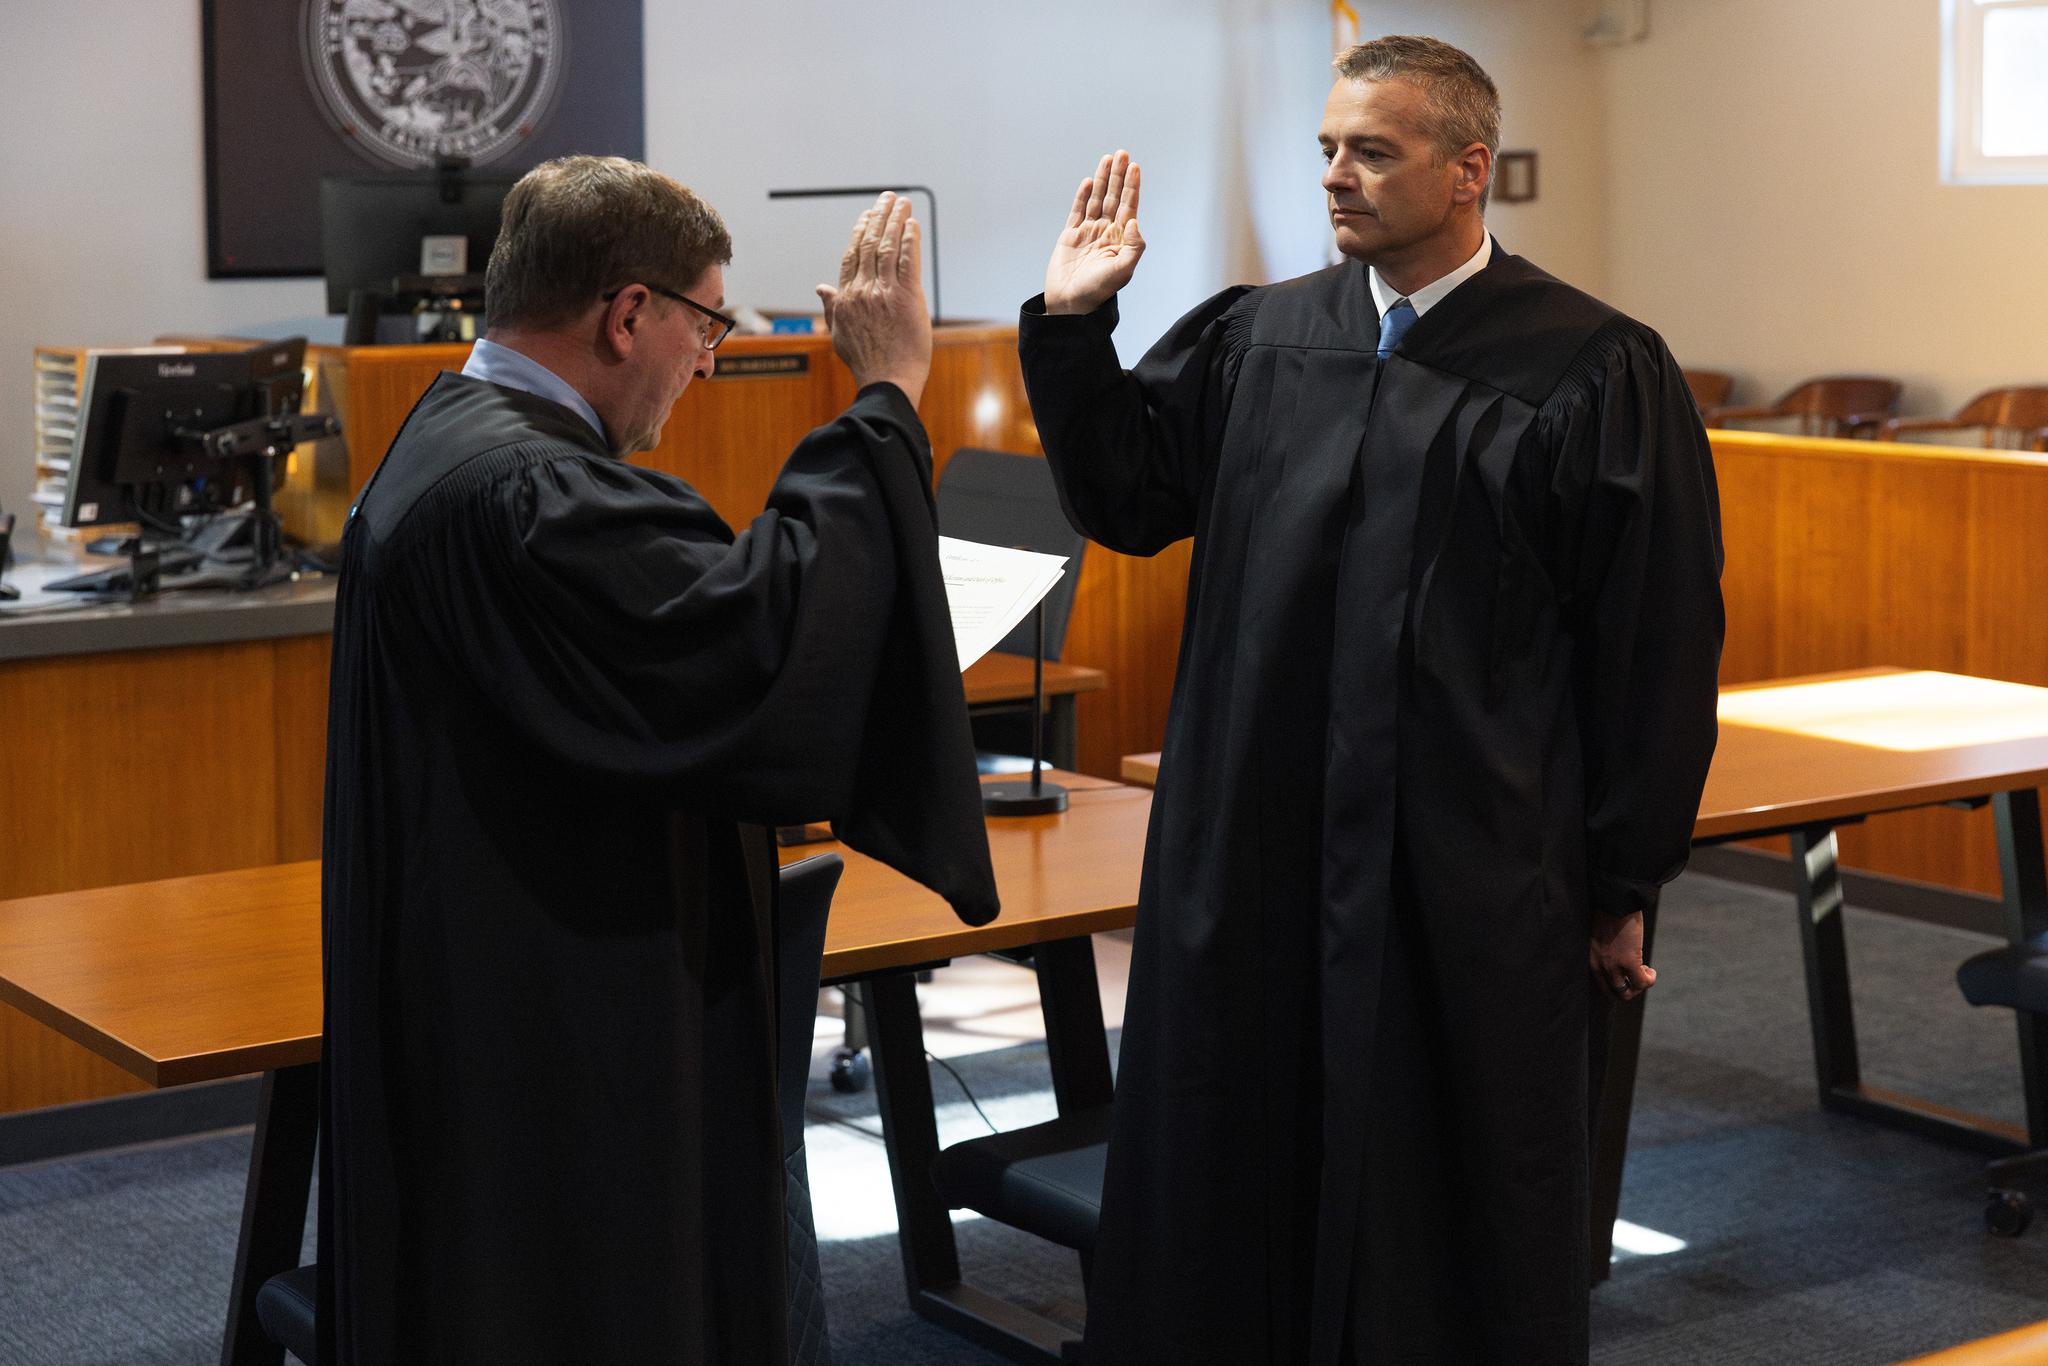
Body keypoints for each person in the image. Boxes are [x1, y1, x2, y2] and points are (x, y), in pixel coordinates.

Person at [1017, 35, 1722, 1365]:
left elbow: (1656, 642)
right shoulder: (1261, 333)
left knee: (1443, 1159)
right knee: (1239, 1139)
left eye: (1371, 152)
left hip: (1462, 860)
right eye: (1328, 150)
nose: (1336, 176)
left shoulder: (1592, 365)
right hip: (1255, 849)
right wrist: (1073, 325)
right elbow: (1125, 498)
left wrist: (1626, 872)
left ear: (1468, 172)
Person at [318, 156, 997, 1364]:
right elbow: (756, 647)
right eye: (706, 322)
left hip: (484, 975)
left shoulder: (447, 438)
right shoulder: (530, 491)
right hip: (563, 1016)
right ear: (628, 313)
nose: (709, 355)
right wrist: (886, 396)